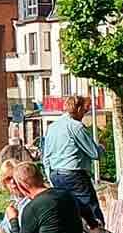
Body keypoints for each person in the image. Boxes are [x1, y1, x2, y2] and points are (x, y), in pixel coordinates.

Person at [39, 95, 104, 225]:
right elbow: (94, 153)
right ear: (79, 108)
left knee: (68, 213)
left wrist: (49, 175)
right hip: (74, 174)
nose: (85, 113)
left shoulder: (53, 127)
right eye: (85, 110)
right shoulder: (76, 127)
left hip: (55, 173)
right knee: (91, 211)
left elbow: (46, 155)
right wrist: (101, 148)